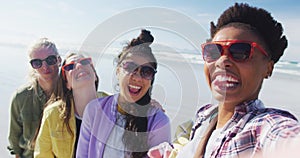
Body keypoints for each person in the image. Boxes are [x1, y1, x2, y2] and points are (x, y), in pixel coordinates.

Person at [148, 3, 300, 158]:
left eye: (240, 51)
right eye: (213, 51)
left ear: (268, 68)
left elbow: (285, 138)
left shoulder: (260, 129)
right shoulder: (205, 116)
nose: (222, 61)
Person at [76, 29, 171, 158]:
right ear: (118, 70)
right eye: (130, 67)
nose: (137, 77)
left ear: (151, 79)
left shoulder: (158, 122)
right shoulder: (95, 110)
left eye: (146, 71)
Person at [33, 52, 109, 157]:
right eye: (70, 66)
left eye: (85, 62)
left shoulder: (115, 107)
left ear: (95, 75)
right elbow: (42, 154)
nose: (79, 66)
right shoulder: (52, 114)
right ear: (67, 83)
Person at [8, 38, 61, 158]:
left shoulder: (71, 94)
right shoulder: (20, 97)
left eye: (50, 60)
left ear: (59, 60)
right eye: (37, 63)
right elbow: (14, 137)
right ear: (32, 66)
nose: (45, 66)